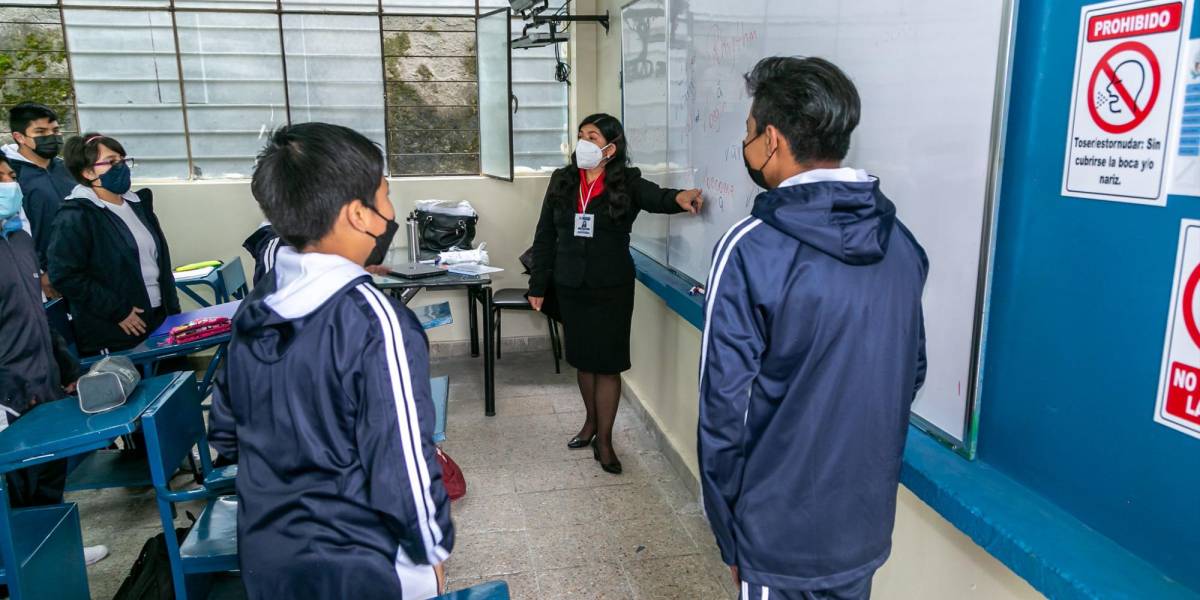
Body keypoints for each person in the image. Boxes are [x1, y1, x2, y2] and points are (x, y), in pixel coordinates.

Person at [698, 56, 928, 600]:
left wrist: (733, 536)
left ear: (771, 140)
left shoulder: (750, 249)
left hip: (777, 537)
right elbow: (910, 373)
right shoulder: (902, 245)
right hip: (864, 527)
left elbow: (723, 410)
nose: (748, 146)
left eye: (749, 134)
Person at [208, 123, 452, 600]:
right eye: (384, 196)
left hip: (268, 559)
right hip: (362, 567)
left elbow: (225, 434)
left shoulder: (257, 306)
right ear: (359, 214)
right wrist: (432, 552)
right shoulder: (377, 322)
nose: (390, 211)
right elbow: (402, 463)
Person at [528, 113, 703, 474]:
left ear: (611, 147)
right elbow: (545, 234)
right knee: (582, 360)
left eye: (592, 137)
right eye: (580, 135)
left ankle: (605, 443)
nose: (583, 143)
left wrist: (681, 197)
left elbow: (658, 197)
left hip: (611, 286)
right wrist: (538, 285)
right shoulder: (562, 180)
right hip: (570, 283)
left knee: (606, 364)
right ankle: (590, 424)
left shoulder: (627, 181)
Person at [0, 154, 108, 566]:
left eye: (11, 176)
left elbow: (37, 315)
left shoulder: (19, 240)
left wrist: (65, 368)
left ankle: (57, 552)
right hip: (10, 393)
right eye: (2, 178)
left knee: (49, 475)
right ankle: (20, 568)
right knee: (16, 486)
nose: (11, 185)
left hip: (42, 378)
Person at [48, 134, 180, 356]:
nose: (121, 166)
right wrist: (117, 310)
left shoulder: (138, 204)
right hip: (116, 328)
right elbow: (64, 275)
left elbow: (157, 263)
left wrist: (172, 310)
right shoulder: (76, 215)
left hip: (159, 318)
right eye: (111, 162)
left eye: (122, 159)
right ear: (88, 172)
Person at [3, 102, 76, 299]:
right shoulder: (10, 176)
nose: (51, 136)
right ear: (20, 137)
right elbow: (16, 228)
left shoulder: (67, 170)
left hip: (82, 267)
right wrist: (40, 270)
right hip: (44, 276)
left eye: (55, 130)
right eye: (41, 131)